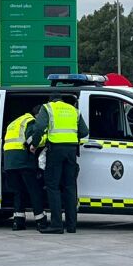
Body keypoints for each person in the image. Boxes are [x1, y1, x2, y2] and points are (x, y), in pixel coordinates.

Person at [29, 95, 88, 234]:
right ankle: (71, 226)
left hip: (55, 150)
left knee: (53, 186)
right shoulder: (73, 110)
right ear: (62, 100)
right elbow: (84, 131)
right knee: (70, 187)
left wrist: (34, 144)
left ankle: (56, 225)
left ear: (51, 100)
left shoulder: (48, 108)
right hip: (71, 151)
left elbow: (39, 127)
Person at [3, 106, 48, 231]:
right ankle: (41, 222)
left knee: (18, 191)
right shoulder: (30, 121)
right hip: (23, 161)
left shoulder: (15, 122)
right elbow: (31, 139)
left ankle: (18, 222)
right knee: (34, 190)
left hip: (9, 162)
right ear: (38, 114)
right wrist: (46, 139)